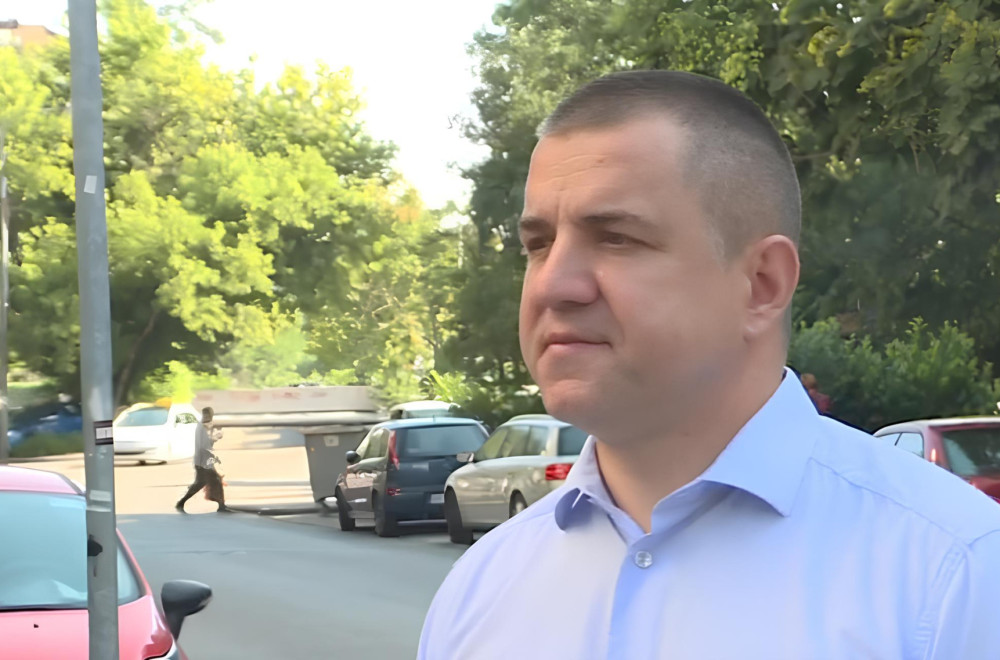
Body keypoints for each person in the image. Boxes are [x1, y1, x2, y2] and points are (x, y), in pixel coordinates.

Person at [418, 71, 1000, 659]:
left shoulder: (955, 573)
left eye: (616, 238)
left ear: (762, 284)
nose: (552, 285)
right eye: (538, 244)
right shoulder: (481, 588)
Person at [175, 406, 229, 513]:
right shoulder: (201, 428)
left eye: (209, 415)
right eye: (205, 415)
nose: (207, 417)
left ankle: (181, 503)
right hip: (202, 460)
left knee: (200, 483)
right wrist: (215, 437)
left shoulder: (204, 427)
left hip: (203, 459)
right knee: (215, 480)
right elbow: (203, 445)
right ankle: (221, 506)